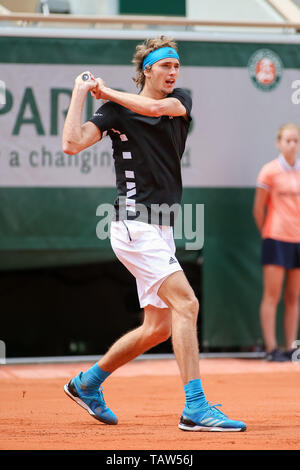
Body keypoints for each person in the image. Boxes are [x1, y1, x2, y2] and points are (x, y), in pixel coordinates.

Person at [62, 36, 246, 431]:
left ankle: (87, 384)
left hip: (159, 228)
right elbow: (71, 144)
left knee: (158, 327)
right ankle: (195, 407)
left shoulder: (179, 100)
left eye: (177, 66)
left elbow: (152, 107)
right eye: (166, 66)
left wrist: (104, 89)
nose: (174, 72)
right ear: (148, 69)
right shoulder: (114, 114)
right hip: (133, 225)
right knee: (188, 304)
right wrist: (80, 94)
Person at [253, 123, 300, 362]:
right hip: (276, 238)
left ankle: (291, 348)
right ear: (279, 143)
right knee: (272, 295)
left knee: (294, 297)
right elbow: (258, 209)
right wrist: (267, 232)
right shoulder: (269, 171)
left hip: (298, 240)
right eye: (288, 140)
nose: (292, 145)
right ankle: (271, 349)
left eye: (296, 140)